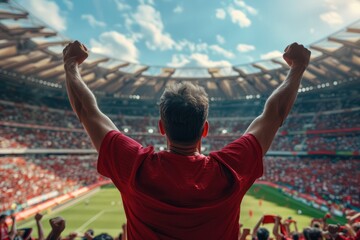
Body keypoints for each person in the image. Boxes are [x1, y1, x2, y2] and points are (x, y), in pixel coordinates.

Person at [63, 41, 311, 239]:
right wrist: (297, 67)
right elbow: (274, 114)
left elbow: (87, 111)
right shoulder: (229, 170)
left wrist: (71, 64)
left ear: (161, 127)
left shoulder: (135, 166)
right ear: (205, 129)